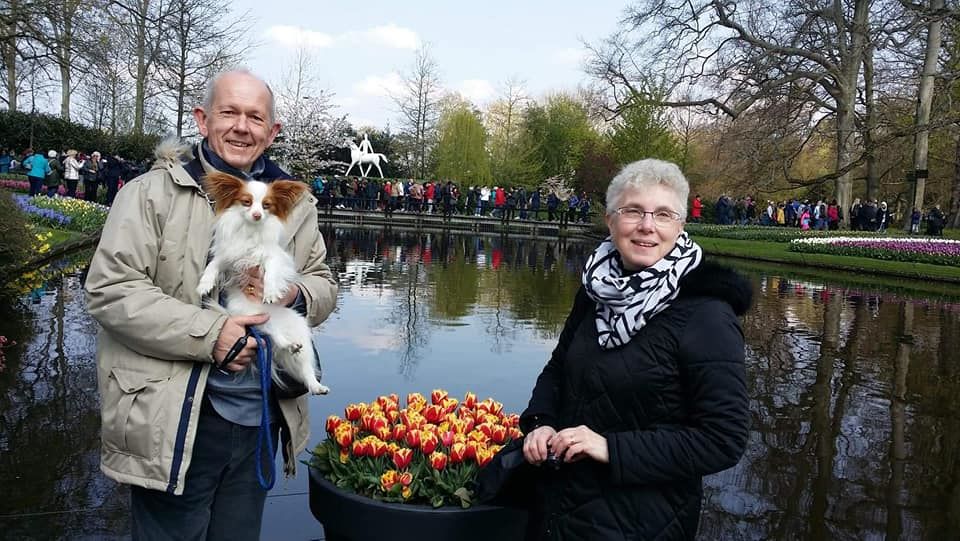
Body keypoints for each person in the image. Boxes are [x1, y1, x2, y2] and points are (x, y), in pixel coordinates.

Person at [83, 69, 339, 541]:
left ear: (272, 132)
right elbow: (110, 289)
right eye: (229, 112)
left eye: (255, 117)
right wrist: (210, 334)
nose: (242, 126)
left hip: (263, 412)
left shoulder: (294, 203)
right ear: (203, 119)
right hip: (174, 421)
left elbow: (324, 282)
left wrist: (295, 293)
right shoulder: (150, 192)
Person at [520, 158, 750, 540]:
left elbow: (723, 439)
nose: (647, 226)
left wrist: (610, 448)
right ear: (610, 220)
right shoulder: (595, 292)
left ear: (680, 226)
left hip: (642, 521)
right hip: (561, 508)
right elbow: (559, 368)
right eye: (633, 211)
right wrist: (540, 422)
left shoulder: (707, 313)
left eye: (663, 214)